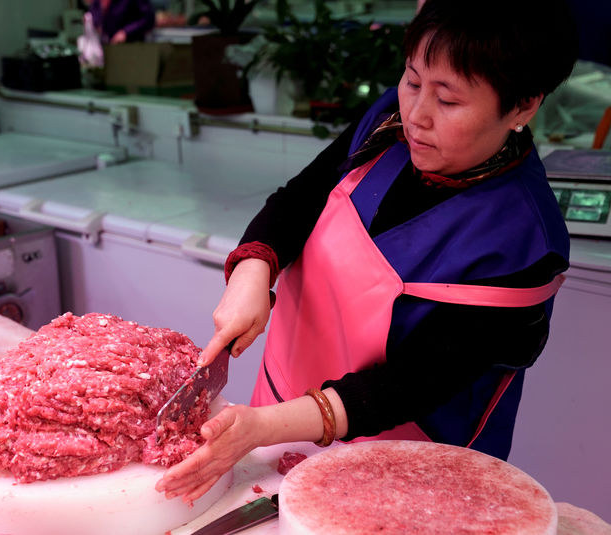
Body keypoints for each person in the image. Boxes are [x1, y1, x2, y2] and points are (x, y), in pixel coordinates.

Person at [156, 0, 579, 502]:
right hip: (277, 409)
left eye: (448, 100)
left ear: (523, 105)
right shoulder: (389, 122)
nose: (416, 115)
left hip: (404, 463)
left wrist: (267, 427)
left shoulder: (523, 240)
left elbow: (412, 383)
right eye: (413, 79)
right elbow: (302, 197)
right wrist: (253, 271)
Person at [89, 0, 155, 44]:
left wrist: (125, 32)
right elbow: (94, 15)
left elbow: (148, 18)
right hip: (103, 48)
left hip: (131, 48)